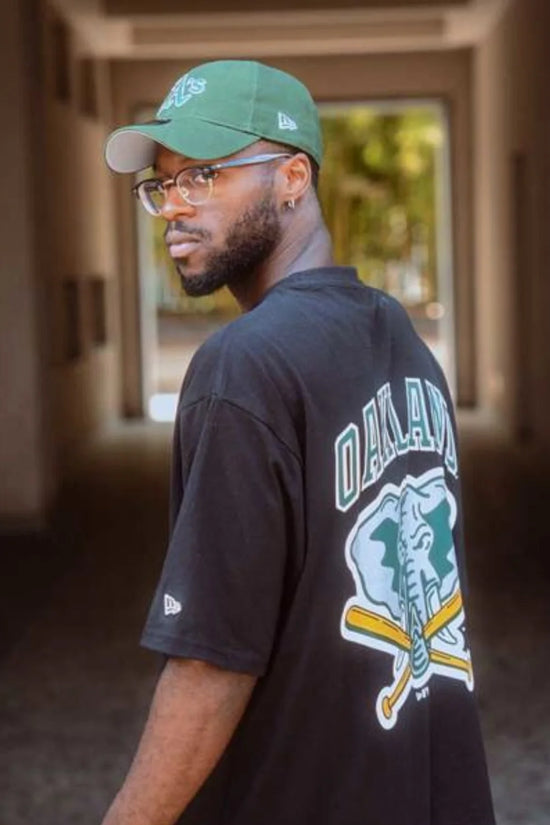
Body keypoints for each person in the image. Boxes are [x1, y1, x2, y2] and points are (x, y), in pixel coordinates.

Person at [102, 59, 495, 825]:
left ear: (291, 177)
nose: (175, 209)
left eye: (204, 176)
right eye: (163, 186)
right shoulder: (401, 340)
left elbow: (211, 656)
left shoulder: (243, 364)